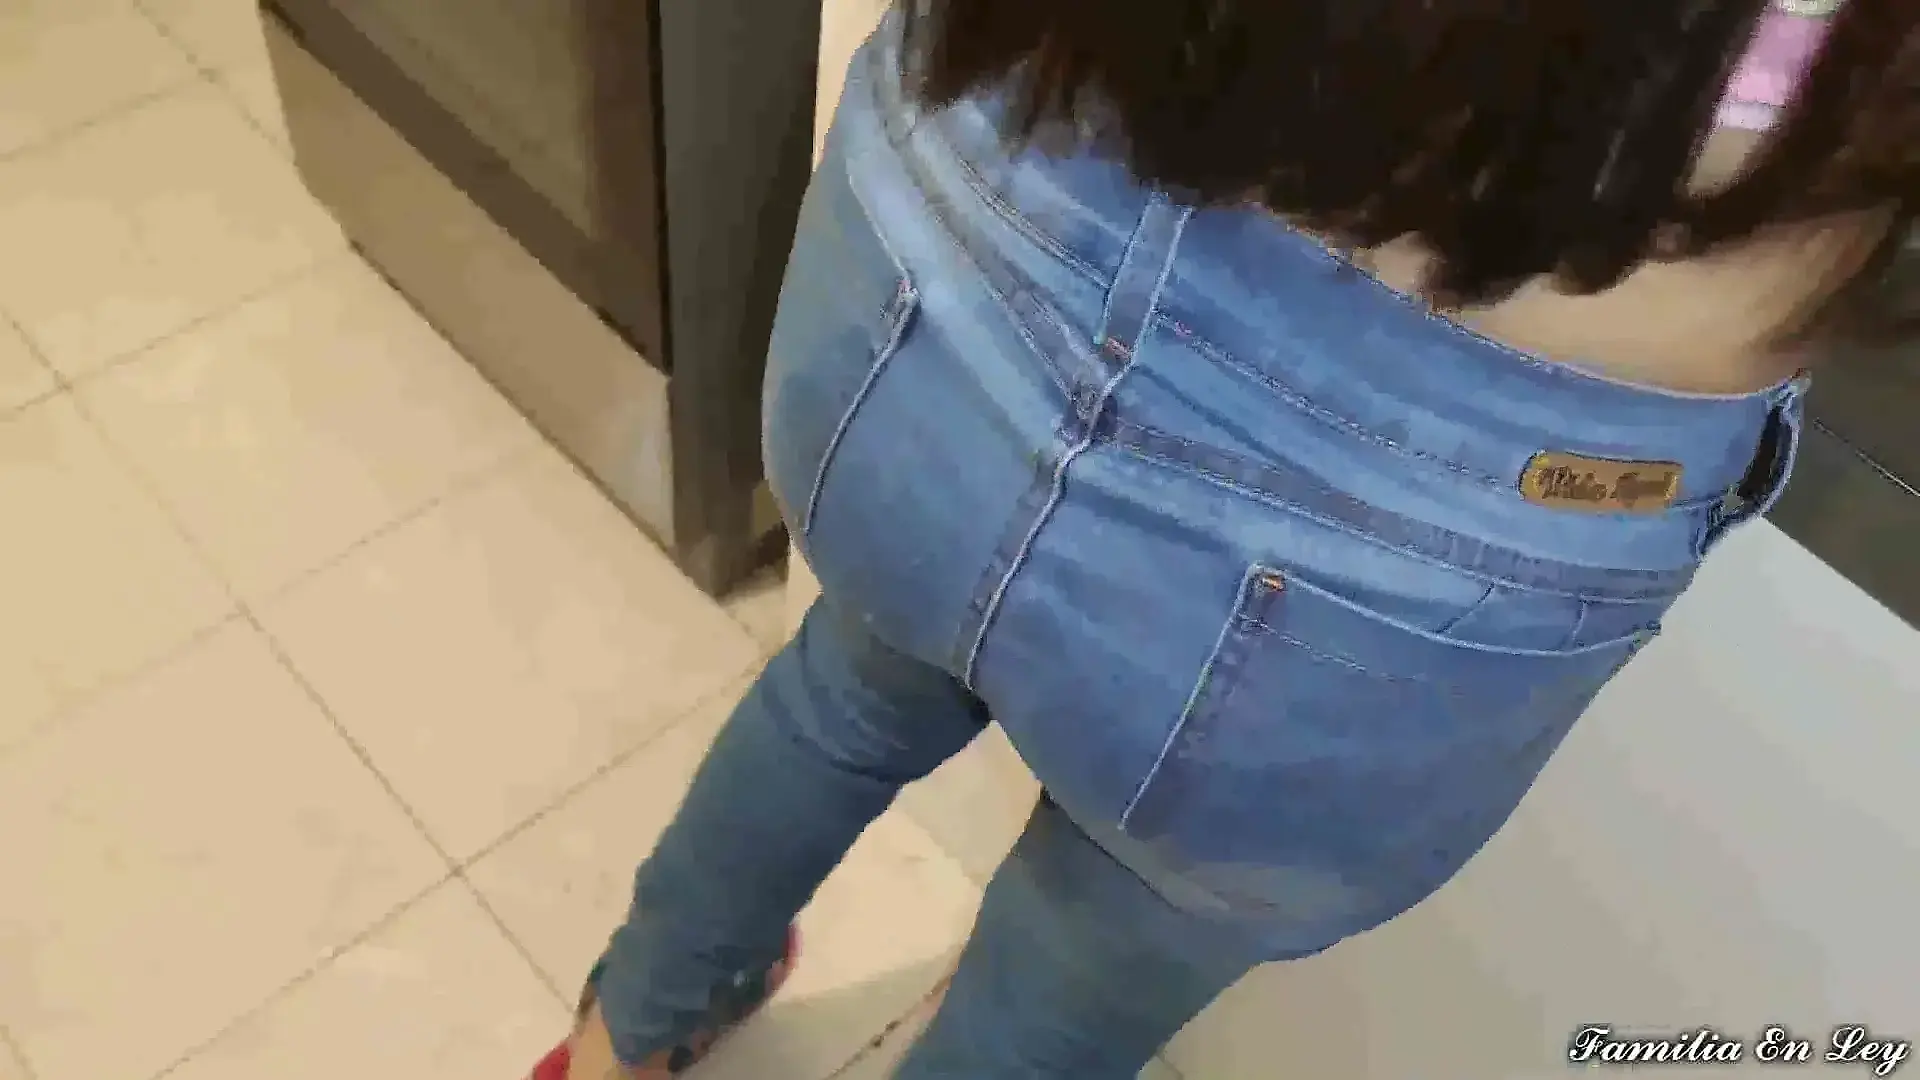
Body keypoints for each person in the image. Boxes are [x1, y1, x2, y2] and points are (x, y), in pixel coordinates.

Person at [533, 0, 1914, 1075]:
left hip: (978, 225)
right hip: (1444, 519)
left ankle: (617, 1041)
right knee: (1063, 985)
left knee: (846, 687)